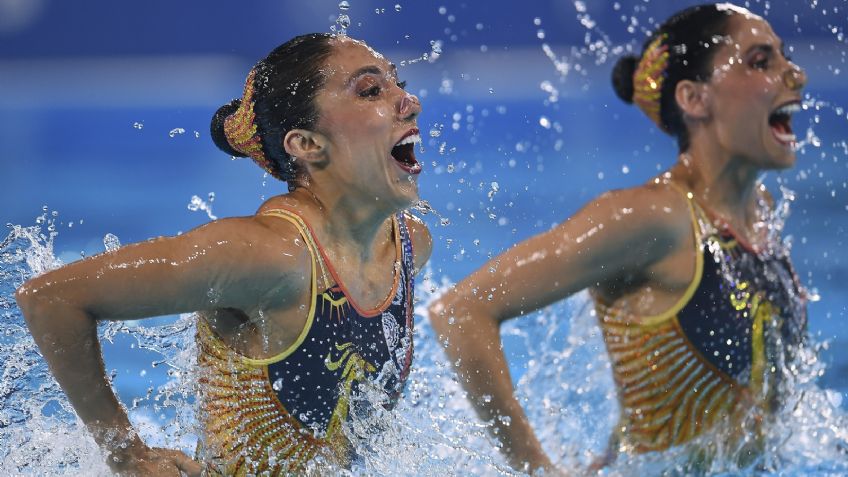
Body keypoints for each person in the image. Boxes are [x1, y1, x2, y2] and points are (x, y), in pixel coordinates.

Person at [16, 33, 431, 476]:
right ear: (307, 144)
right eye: (371, 91)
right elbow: (50, 298)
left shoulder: (410, 245)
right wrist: (125, 454)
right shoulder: (265, 255)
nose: (409, 101)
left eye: (397, 82)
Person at [429, 3, 808, 473]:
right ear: (694, 99)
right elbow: (462, 310)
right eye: (760, 61)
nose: (796, 75)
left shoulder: (759, 213)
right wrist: (538, 470)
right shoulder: (650, 218)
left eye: (784, 57)